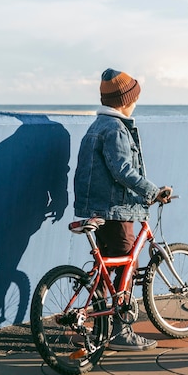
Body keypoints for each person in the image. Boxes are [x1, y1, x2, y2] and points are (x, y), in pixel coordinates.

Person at [74, 68, 172, 351]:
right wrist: (152, 191)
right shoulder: (116, 129)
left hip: (96, 207)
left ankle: (101, 326)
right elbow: (123, 170)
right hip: (115, 210)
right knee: (128, 265)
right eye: (135, 98)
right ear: (125, 100)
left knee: (106, 267)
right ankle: (121, 332)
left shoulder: (96, 126)